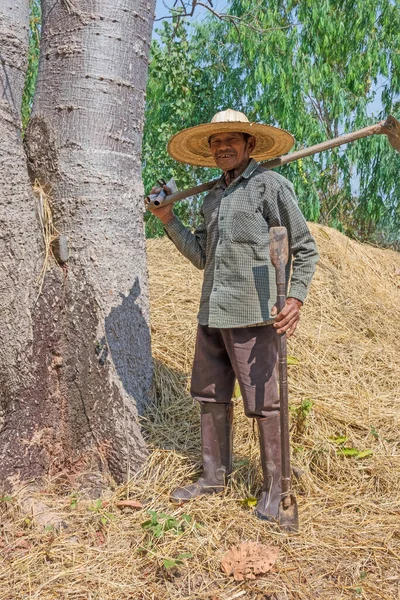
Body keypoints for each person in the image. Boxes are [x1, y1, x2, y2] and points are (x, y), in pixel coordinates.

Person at [146, 109, 319, 522]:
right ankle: (213, 477)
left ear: (249, 145)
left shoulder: (269, 186)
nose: (223, 148)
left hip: (255, 315)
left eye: (231, 141)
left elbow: (305, 248)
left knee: (265, 404)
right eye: (216, 142)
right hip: (213, 312)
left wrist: (294, 299)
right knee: (210, 397)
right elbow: (202, 257)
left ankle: (277, 492)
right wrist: (168, 220)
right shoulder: (211, 198)